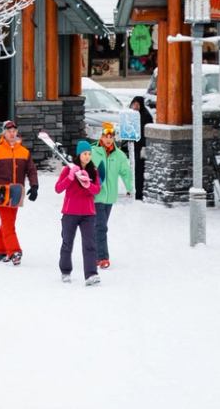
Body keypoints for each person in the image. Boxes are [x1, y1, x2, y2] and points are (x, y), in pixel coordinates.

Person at [0, 119, 39, 265]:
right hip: (0, 193)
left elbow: (31, 170)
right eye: (9, 131)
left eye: (14, 131)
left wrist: (34, 186)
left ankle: (0, 250)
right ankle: (14, 251)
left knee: (8, 222)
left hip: (16, 192)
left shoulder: (24, 152)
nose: (12, 134)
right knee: (8, 222)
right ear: (4, 133)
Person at [56, 139, 103, 286]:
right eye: (84, 153)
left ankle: (91, 274)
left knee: (90, 244)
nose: (87, 156)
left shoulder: (93, 171)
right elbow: (58, 188)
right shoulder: (68, 169)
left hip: (88, 214)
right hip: (70, 213)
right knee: (67, 243)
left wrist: (88, 184)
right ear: (79, 154)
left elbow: (97, 190)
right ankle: (65, 271)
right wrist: (70, 177)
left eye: (89, 153)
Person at [90, 120, 133, 268]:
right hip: (96, 195)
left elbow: (125, 172)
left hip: (110, 197)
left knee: (99, 226)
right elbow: (83, 167)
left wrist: (129, 187)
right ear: (101, 137)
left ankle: (93, 252)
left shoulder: (119, 155)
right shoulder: (93, 152)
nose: (108, 139)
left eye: (111, 136)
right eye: (106, 136)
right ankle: (102, 257)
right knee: (101, 226)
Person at [129, 95, 153, 198]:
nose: (135, 106)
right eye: (133, 104)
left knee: (139, 170)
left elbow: (146, 133)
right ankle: (133, 189)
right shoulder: (133, 115)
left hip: (141, 147)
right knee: (133, 169)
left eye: (137, 104)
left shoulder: (145, 116)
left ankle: (139, 192)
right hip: (134, 146)